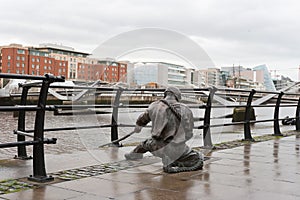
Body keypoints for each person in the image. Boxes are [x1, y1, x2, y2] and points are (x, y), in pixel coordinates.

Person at [125, 86, 203, 173]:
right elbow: (189, 133)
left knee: (145, 144)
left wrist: (138, 127)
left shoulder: (154, 106)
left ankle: (134, 154)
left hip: (157, 147)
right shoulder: (186, 109)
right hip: (177, 149)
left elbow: (141, 120)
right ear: (177, 97)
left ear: (165, 95)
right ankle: (173, 160)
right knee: (197, 157)